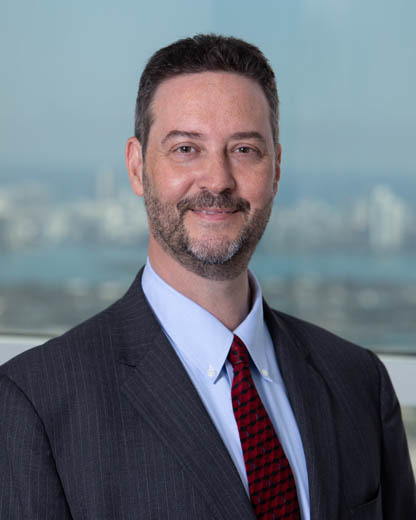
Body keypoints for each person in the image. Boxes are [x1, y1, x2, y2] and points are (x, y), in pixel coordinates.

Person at [0, 34, 415, 520]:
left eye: (244, 149)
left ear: (276, 168)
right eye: (186, 148)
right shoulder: (37, 404)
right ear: (136, 166)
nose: (217, 180)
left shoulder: (358, 382)